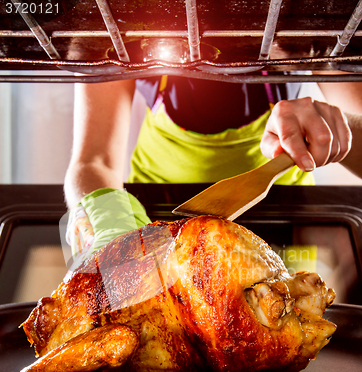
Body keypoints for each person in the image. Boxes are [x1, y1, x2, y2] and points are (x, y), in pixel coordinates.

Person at [63, 74, 362, 262]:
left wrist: (335, 126)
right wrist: (109, 226)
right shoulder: (122, 16)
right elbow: (93, 161)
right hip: (155, 224)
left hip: (283, 227)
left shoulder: (300, 15)